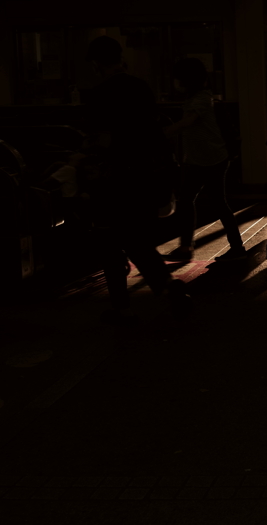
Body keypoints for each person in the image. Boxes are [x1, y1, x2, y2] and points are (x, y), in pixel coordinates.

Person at [79, 36, 190, 324]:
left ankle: (122, 307)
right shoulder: (141, 88)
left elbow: (100, 141)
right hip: (145, 176)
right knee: (137, 239)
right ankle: (166, 285)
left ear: (95, 63)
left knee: (110, 242)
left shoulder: (98, 95)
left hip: (113, 180)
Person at [163, 58, 246, 262]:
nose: (174, 83)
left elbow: (188, 122)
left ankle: (233, 247)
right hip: (200, 159)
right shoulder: (197, 98)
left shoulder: (201, 99)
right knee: (196, 201)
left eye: (177, 79)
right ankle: (188, 247)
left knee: (212, 203)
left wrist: (162, 133)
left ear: (186, 80)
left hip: (210, 160)